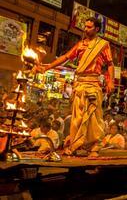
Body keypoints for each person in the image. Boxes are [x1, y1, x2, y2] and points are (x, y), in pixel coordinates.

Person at [34, 17, 114, 157]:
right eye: (85, 26)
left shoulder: (103, 44)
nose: (86, 29)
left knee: (93, 118)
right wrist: (47, 67)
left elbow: (110, 64)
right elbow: (65, 57)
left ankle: (95, 147)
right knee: (77, 119)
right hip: (79, 85)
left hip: (93, 85)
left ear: (96, 29)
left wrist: (110, 81)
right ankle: (77, 145)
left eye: (89, 27)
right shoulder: (80, 44)